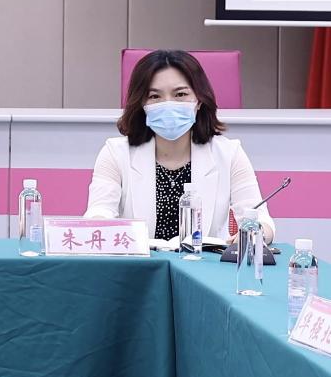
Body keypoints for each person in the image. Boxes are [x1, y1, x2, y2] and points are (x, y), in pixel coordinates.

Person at [85, 49, 275, 243]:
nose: (168, 104)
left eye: (180, 94)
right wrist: (99, 224)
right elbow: (99, 211)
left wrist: (255, 233)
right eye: (155, 97)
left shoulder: (229, 153)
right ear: (142, 104)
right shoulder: (115, 153)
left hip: (205, 261)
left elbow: (261, 220)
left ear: (199, 100)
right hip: (141, 261)